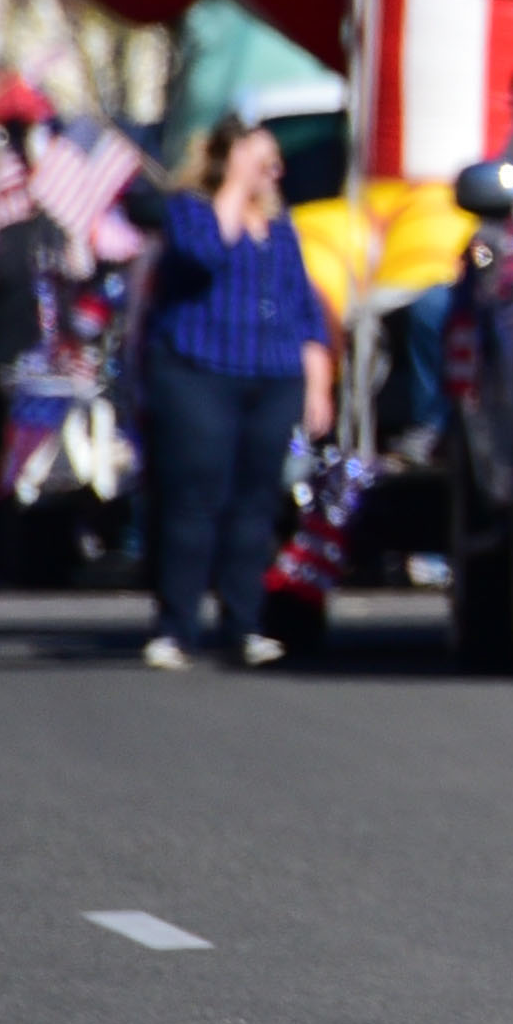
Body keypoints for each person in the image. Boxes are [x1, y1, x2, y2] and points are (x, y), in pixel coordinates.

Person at [137, 118, 336, 671]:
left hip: (271, 375)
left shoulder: (280, 227)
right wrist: (234, 186)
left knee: (256, 505)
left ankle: (244, 624)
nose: (272, 174)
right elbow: (207, 257)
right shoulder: (192, 211)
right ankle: (176, 627)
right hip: (198, 370)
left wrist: (317, 380)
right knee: (195, 499)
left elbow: (302, 305)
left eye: (273, 165)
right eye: (261, 161)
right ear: (228, 160)